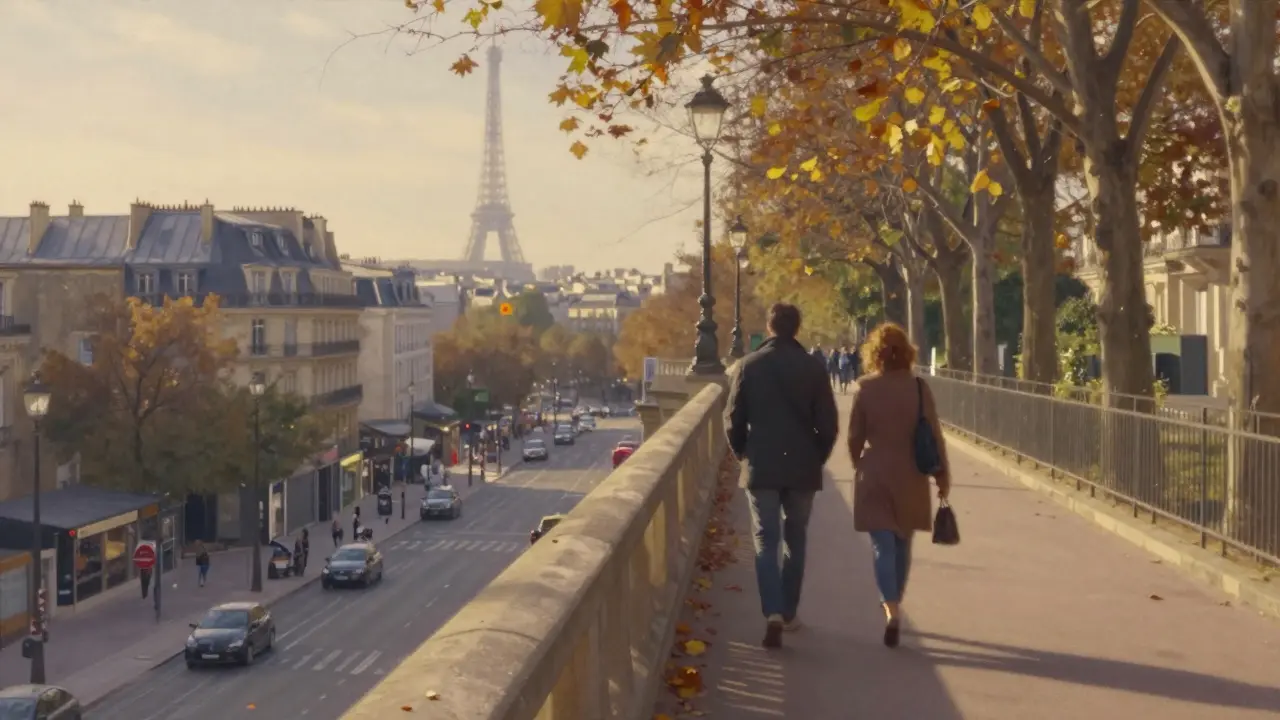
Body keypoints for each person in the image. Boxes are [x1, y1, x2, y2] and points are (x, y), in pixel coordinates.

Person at [726, 303, 839, 649]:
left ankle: (771, 611)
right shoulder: (813, 368)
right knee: (796, 539)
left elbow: (733, 419)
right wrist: (815, 456)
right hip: (802, 465)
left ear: (769, 327)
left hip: (762, 463)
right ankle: (789, 612)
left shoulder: (749, 366)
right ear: (798, 327)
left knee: (765, 540)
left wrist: (744, 452)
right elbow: (829, 425)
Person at [846, 323, 950, 649]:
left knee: (882, 544)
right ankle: (896, 601)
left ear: (874, 354)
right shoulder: (919, 388)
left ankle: (890, 606)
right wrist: (942, 476)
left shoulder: (865, 389)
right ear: (907, 352)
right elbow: (934, 435)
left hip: (876, 472)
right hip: (911, 476)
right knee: (902, 544)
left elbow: (854, 437)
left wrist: (859, 463)